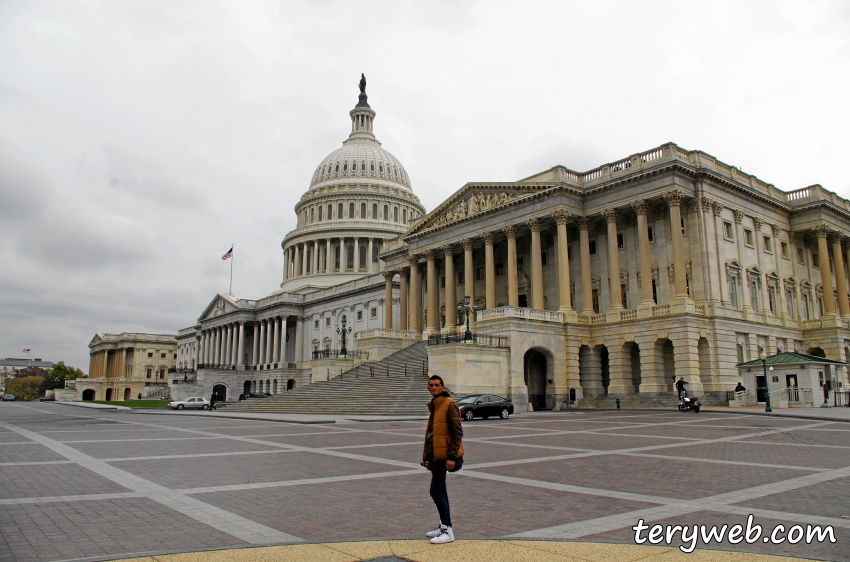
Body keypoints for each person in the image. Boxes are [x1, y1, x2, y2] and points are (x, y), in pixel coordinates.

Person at [422, 375, 464, 544]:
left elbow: (457, 432)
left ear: (443, 387)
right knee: (441, 491)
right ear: (428, 388)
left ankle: (448, 529)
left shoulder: (449, 405)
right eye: (431, 385)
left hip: (444, 456)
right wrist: (427, 457)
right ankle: (443, 525)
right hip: (435, 456)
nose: (433, 388)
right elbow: (432, 435)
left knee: (435, 491)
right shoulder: (435, 405)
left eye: (437, 385)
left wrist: (451, 456)